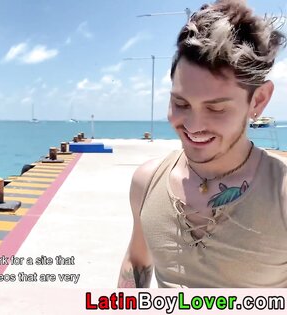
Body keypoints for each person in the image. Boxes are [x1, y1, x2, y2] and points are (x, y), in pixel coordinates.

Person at [118, 0, 287, 288]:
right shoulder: (146, 183)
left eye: (217, 109)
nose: (193, 126)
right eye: (180, 103)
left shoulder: (280, 193)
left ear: (257, 100)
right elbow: (137, 261)